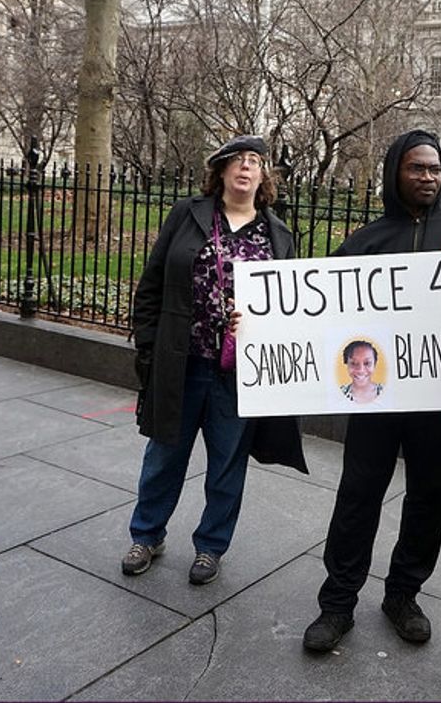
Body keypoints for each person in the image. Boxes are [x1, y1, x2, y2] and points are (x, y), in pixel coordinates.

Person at [301, 129, 441, 651]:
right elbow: (309, 309)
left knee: (431, 500)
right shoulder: (367, 243)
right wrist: (252, 320)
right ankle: (338, 603)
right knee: (357, 498)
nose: (428, 177)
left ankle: (403, 595)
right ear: (396, 173)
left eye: (435, 168)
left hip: (440, 403)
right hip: (375, 401)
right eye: (417, 168)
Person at [124, 135, 306, 586]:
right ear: (222, 170)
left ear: (264, 176)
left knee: (228, 463)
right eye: (238, 161)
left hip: (238, 376)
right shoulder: (188, 215)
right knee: (164, 455)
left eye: (255, 162)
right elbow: (152, 284)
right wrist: (147, 346)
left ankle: (211, 546)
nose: (246, 168)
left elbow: (291, 308)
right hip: (183, 364)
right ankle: (146, 535)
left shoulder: (277, 235)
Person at [340, 340, 384, 404]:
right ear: (347, 364)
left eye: (367, 363)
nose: (361, 370)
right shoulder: (338, 394)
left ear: (374, 364)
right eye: (354, 363)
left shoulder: (386, 391)